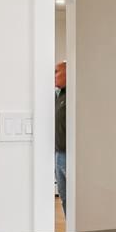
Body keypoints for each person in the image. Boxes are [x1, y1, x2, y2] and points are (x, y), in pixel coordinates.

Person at [54, 61, 67, 215]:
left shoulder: (74, 94)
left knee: (74, 198)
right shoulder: (60, 95)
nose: (54, 76)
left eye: (56, 72)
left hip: (70, 155)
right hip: (59, 154)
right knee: (64, 197)